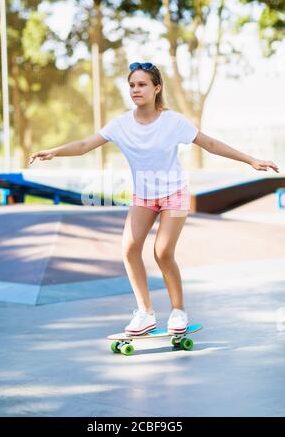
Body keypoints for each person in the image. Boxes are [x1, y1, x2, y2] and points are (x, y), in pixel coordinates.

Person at [29, 62, 279, 336]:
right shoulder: (122, 124)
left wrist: (251, 160)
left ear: (156, 88)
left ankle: (178, 310)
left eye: (142, 84)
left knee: (162, 252)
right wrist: (54, 151)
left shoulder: (173, 122)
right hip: (143, 197)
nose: (136, 90)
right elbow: (84, 145)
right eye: (132, 85)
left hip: (175, 196)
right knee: (129, 248)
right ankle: (145, 313)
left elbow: (209, 144)